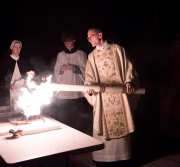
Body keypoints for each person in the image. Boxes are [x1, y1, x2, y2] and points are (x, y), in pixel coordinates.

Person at [84, 28, 139, 167]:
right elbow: (89, 77)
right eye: (88, 38)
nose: (89, 40)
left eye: (91, 37)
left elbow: (128, 68)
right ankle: (102, 159)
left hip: (119, 96)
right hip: (102, 99)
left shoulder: (118, 50)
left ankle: (122, 158)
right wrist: (90, 88)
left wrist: (129, 81)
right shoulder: (92, 56)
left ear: (100, 35)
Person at [52, 30, 92, 133]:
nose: (67, 43)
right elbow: (56, 71)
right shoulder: (60, 55)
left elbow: (87, 71)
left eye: (69, 41)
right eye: (65, 42)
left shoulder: (81, 54)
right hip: (63, 93)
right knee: (64, 118)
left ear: (73, 40)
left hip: (77, 93)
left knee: (77, 119)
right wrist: (61, 69)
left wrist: (75, 68)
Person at [0, 40, 29, 107]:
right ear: (11, 48)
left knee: (20, 107)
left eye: (19, 47)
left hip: (20, 90)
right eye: (15, 47)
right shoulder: (5, 60)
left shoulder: (23, 62)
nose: (18, 49)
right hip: (8, 90)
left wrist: (25, 84)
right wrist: (9, 85)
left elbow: (26, 77)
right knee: (8, 107)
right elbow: (1, 77)